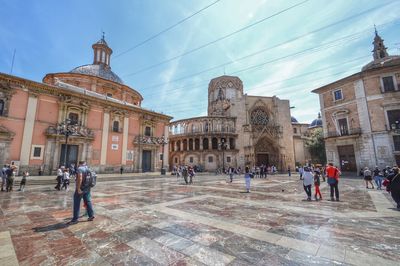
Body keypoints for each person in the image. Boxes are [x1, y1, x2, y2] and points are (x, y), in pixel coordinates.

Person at [67, 161, 95, 225]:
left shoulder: (80, 169)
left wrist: (78, 188)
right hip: (87, 188)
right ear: (85, 163)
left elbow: (80, 178)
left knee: (77, 203)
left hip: (81, 188)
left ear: (79, 164)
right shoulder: (88, 168)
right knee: (88, 201)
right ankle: (91, 215)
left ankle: (75, 219)